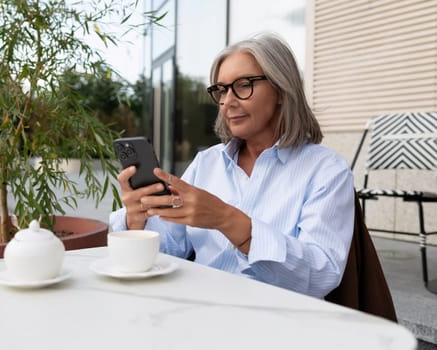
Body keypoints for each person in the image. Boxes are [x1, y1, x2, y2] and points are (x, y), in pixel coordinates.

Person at [109, 33, 354, 299]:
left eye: (243, 85)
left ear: (282, 90)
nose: (227, 102)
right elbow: (170, 250)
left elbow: (322, 275)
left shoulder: (326, 170)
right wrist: (137, 221)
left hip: (275, 323)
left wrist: (227, 220)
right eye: (222, 90)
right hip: (196, 308)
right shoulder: (207, 163)